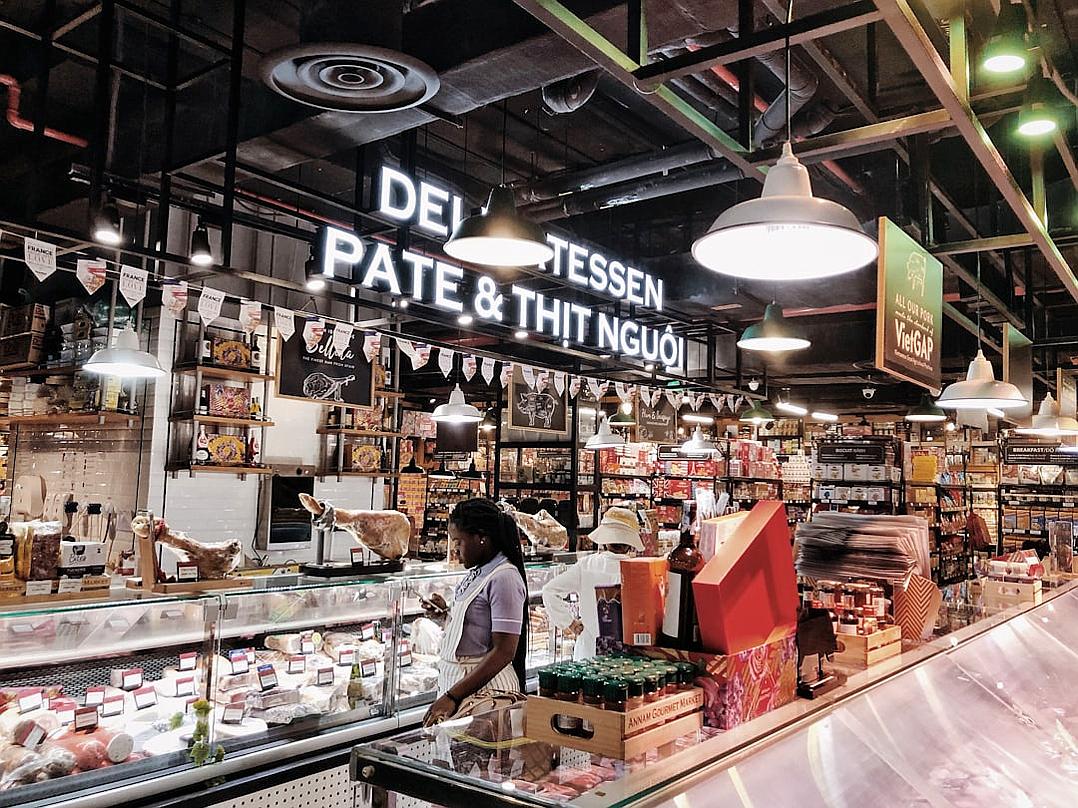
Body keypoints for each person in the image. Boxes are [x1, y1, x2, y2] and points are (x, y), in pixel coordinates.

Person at [423, 498, 528, 726]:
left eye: (458, 542)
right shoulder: (479, 571)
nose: (455, 550)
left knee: (482, 761)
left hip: (487, 693)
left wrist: (452, 696)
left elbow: (504, 652)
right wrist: (444, 616)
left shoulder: (505, 578)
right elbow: (475, 631)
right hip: (462, 686)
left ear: (482, 537)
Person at [541, 506, 643, 660]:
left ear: (605, 541)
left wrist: (570, 623)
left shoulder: (587, 565)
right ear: (630, 543)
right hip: (628, 653)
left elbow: (549, 591)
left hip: (588, 650)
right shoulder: (639, 569)